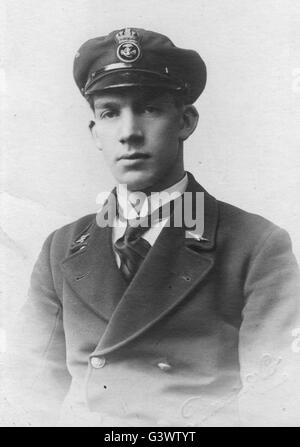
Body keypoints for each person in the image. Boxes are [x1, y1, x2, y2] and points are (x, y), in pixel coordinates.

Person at [8, 27, 300, 427]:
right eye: (110, 112)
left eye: (149, 109)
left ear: (186, 121)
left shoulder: (255, 245)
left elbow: (275, 402)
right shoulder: (61, 248)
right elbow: (25, 395)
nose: (129, 132)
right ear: (95, 132)